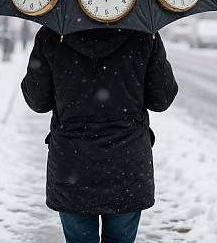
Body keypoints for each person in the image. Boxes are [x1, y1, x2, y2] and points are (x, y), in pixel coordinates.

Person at [22, 26, 178, 243]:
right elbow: (162, 99)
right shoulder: (143, 34)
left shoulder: (52, 34)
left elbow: (37, 101)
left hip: (72, 165)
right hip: (127, 164)